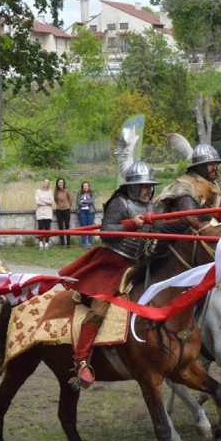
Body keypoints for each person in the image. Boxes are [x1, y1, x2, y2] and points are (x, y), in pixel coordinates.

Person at [58, 161, 159, 389]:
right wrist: (131, 225)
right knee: (100, 308)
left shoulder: (151, 205)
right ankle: (82, 361)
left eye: (150, 186)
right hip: (113, 262)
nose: (149, 190)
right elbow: (106, 232)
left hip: (141, 262)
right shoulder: (119, 203)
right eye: (144, 186)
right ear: (133, 187)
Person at [155, 143, 221, 235]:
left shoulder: (213, 186)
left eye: (215, 164)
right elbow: (192, 219)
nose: (214, 168)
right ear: (200, 166)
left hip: (201, 231)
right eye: (210, 164)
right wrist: (218, 215)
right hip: (174, 238)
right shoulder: (185, 185)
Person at [76, 181, 97, 249]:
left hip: (90, 211)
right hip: (82, 211)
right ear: (82, 187)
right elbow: (77, 202)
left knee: (90, 228)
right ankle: (84, 243)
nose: (85, 187)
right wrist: (85, 202)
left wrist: (83, 201)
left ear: (89, 186)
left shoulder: (92, 192)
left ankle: (90, 244)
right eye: (84, 186)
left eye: (87, 186)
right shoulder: (79, 193)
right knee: (83, 227)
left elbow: (91, 201)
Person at [34, 178, 54, 250]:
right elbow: (37, 202)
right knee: (40, 228)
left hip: (48, 212)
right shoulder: (37, 191)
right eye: (45, 182)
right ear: (43, 183)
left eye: (48, 182)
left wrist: (42, 199)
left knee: (47, 228)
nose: (46, 184)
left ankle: (47, 243)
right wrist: (46, 202)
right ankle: (41, 243)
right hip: (40, 212)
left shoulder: (50, 191)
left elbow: (51, 202)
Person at [54, 177, 72, 247]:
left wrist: (68, 206)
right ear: (57, 184)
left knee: (67, 226)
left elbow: (70, 198)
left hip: (67, 210)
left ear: (64, 183)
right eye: (59, 182)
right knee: (60, 227)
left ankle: (68, 243)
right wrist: (60, 205)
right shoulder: (56, 192)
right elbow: (55, 200)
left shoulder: (66, 190)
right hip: (59, 210)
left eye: (62, 182)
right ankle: (62, 243)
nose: (60, 184)